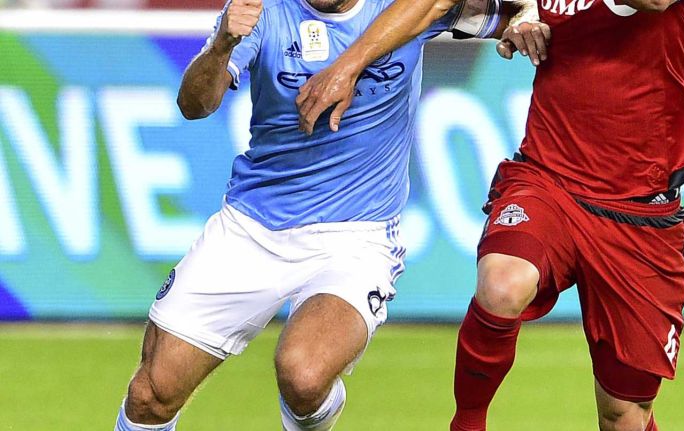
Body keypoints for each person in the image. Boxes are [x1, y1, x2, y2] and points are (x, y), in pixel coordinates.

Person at [113, 0, 546, 430]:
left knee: (304, 375)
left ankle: (313, 415)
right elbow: (195, 104)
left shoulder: (409, 7)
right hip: (251, 226)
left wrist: (527, 18)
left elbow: (518, 19)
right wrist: (222, 45)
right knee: (150, 395)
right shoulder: (264, 10)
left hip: (357, 237)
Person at [295, 0, 684, 430]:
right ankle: (467, 423)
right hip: (549, 179)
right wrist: (524, 13)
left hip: (638, 211)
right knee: (503, 284)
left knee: (623, 414)